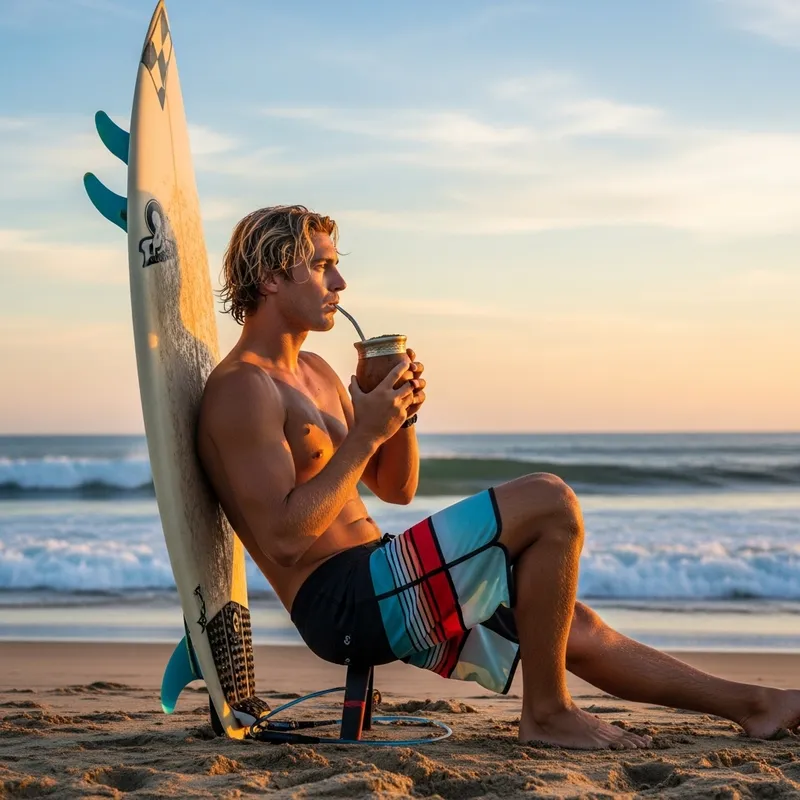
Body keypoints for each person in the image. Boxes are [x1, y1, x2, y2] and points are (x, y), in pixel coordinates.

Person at [197, 205, 800, 750]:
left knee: (564, 623)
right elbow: (284, 538)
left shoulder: (317, 371)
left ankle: (756, 705)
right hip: (343, 603)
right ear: (271, 278)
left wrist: (399, 416)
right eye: (321, 266)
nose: (340, 282)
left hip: (383, 574)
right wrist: (366, 435)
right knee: (549, 500)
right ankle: (548, 712)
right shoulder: (243, 388)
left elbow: (396, 488)